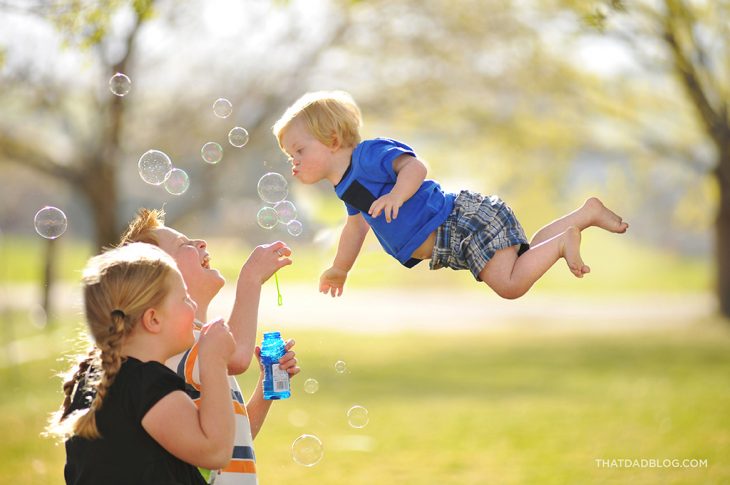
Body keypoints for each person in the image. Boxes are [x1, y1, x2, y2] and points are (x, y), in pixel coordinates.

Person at [272, 90, 629, 299]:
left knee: (510, 285)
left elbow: (415, 167)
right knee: (526, 257)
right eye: (291, 156)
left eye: (299, 151)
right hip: (455, 236)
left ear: (333, 140)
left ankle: (566, 240)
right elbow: (355, 229)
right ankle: (584, 215)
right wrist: (339, 268)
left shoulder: (369, 155)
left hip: (461, 222)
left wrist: (397, 195)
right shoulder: (347, 185)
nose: (294, 161)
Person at [118, 208, 299, 485]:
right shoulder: (174, 342)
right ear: (160, 280)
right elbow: (238, 356)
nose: (200, 242)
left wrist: (266, 387)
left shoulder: (201, 343)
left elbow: (228, 437)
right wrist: (250, 278)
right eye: (183, 245)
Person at [48, 242, 236, 484]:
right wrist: (214, 360)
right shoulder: (148, 384)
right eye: (185, 298)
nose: (194, 306)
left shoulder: (94, 379)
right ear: (153, 319)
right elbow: (215, 451)